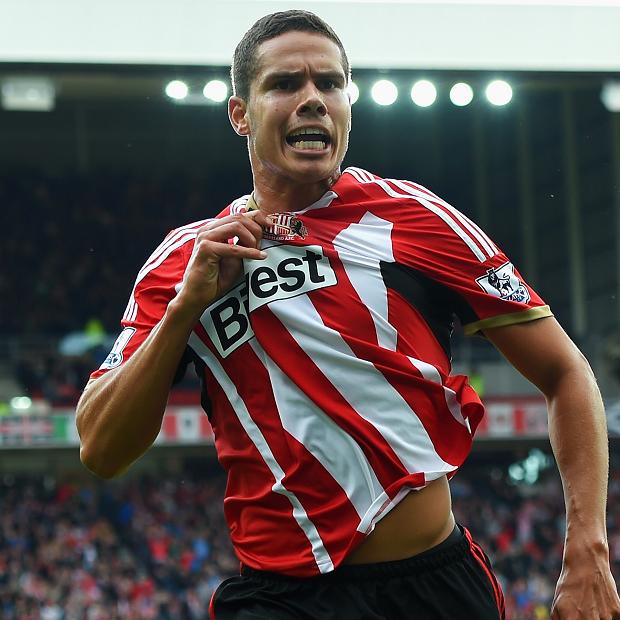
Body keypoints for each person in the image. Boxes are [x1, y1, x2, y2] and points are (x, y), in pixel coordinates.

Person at [76, 9, 620, 620]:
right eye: (285, 84)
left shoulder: (416, 218)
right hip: (280, 601)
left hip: (435, 590)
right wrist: (184, 311)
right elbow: (100, 447)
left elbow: (567, 374)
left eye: (330, 84)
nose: (313, 100)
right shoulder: (186, 259)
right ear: (240, 115)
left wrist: (588, 552)